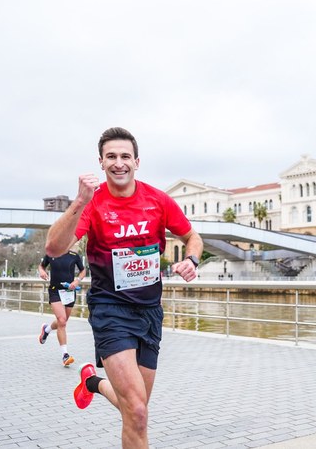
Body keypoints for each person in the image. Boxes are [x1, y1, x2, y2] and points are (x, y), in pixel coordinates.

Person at [45, 127, 203, 449]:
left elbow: (192, 237)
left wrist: (192, 260)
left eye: (125, 156)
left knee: (135, 409)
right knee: (138, 410)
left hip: (149, 313)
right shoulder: (93, 203)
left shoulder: (157, 200)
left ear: (137, 161)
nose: (119, 163)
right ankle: (95, 382)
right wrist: (79, 202)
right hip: (110, 310)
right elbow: (54, 248)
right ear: (101, 163)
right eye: (111, 157)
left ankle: (92, 382)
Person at [37, 244, 87, 366]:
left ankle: (46, 329)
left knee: (63, 321)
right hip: (55, 291)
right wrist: (42, 272)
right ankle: (65, 355)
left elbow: (83, 270)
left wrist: (77, 281)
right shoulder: (51, 254)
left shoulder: (74, 256)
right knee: (62, 320)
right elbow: (41, 266)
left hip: (69, 291)